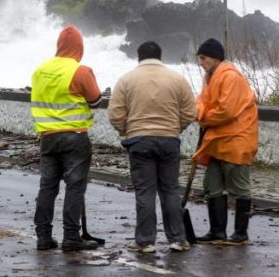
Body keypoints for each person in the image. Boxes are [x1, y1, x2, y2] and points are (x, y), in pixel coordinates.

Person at [108, 41, 197, 253]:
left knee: (145, 192)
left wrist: (126, 131)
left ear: (138, 58)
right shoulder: (177, 79)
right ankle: (178, 239)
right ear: (160, 56)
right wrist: (176, 128)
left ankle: (145, 241)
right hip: (169, 140)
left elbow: (115, 114)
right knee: (170, 190)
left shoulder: (127, 80)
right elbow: (190, 112)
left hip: (139, 141)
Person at [31, 24, 104, 252]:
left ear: (59, 45)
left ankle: (43, 236)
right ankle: (71, 237)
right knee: (74, 187)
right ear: (79, 47)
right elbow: (95, 101)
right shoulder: (80, 71)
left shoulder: (39, 70)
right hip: (74, 137)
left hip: (48, 137)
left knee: (47, 187)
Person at [193, 38, 259, 245]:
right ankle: (217, 232)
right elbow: (201, 102)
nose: (201, 62)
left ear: (214, 57)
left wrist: (203, 118)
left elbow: (226, 110)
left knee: (240, 188)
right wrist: (201, 114)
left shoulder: (230, 76)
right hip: (216, 141)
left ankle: (241, 234)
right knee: (212, 186)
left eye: (203, 58)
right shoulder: (210, 78)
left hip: (236, 139)